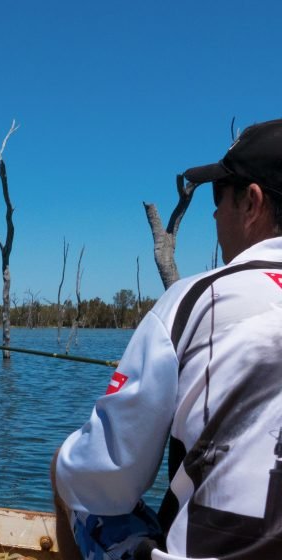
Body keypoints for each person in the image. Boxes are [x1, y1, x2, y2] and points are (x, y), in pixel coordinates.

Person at [51, 119, 282, 560]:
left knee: (68, 471)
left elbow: (107, 478)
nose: (214, 214)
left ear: (252, 203)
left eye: (219, 196)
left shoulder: (193, 300)